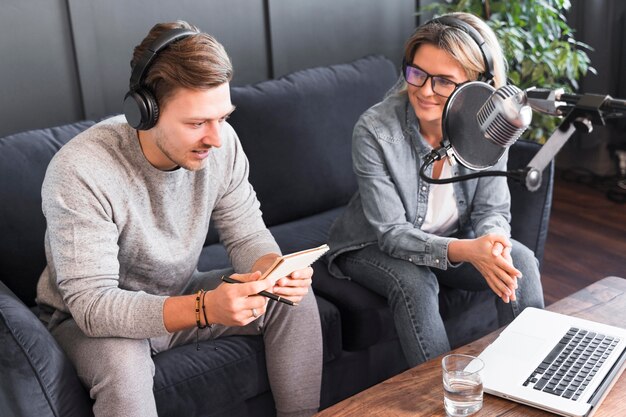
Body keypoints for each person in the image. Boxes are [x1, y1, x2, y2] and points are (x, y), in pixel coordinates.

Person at [35, 20, 322, 417]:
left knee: (293, 300)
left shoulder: (222, 144)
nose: (216, 138)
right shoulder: (81, 169)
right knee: (124, 370)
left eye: (222, 117)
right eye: (196, 123)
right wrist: (205, 308)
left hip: (179, 292)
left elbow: (246, 235)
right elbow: (92, 305)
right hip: (92, 320)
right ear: (144, 112)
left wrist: (271, 272)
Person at [326, 12, 544, 368]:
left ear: (476, 86)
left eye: (443, 81)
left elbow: (492, 211)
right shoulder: (376, 129)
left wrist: (493, 244)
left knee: (518, 260)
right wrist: (468, 250)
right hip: (368, 243)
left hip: (449, 238)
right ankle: (442, 396)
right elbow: (392, 234)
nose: (425, 91)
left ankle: (530, 376)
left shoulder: (492, 125)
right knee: (416, 282)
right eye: (417, 73)